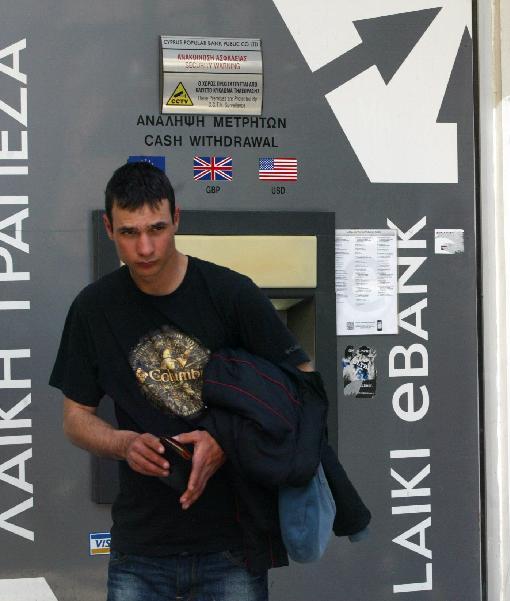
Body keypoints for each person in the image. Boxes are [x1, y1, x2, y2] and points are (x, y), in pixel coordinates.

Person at [49, 162, 313, 601]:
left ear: (177, 218)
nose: (146, 247)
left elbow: (303, 385)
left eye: (157, 228)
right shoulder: (93, 309)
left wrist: (227, 440)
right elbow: (75, 419)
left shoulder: (231, 294)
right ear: (109, 228)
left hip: (231, 544)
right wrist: (124, 444)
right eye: (130, 233)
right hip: (140, 547)